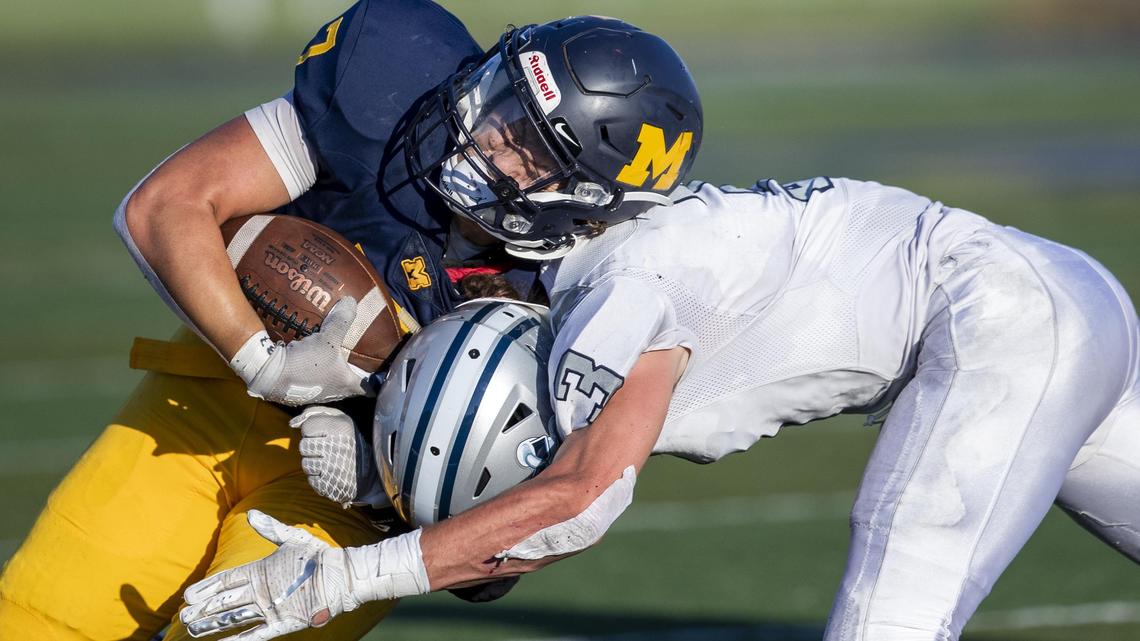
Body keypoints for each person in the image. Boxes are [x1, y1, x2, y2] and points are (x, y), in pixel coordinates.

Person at [179, 12, 1140, 641]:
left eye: (520, 139)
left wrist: (343, 578)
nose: (482, 131)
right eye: (505, 105)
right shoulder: (608, 255)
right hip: (1050, 292)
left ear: (584, 188)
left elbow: (583, 497)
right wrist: (365, 422)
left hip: (1003, 324)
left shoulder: (630, 279)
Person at [0, 1, 486, 639]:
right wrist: (264, 361)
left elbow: (503, 551)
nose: (499, 138)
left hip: (350, 499)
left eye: (539, 146)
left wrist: (373, 476)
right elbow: (166, 204)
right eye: (506, 105)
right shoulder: (407, 90)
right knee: (39, 622)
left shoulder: (591, 278)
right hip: (205, 401)